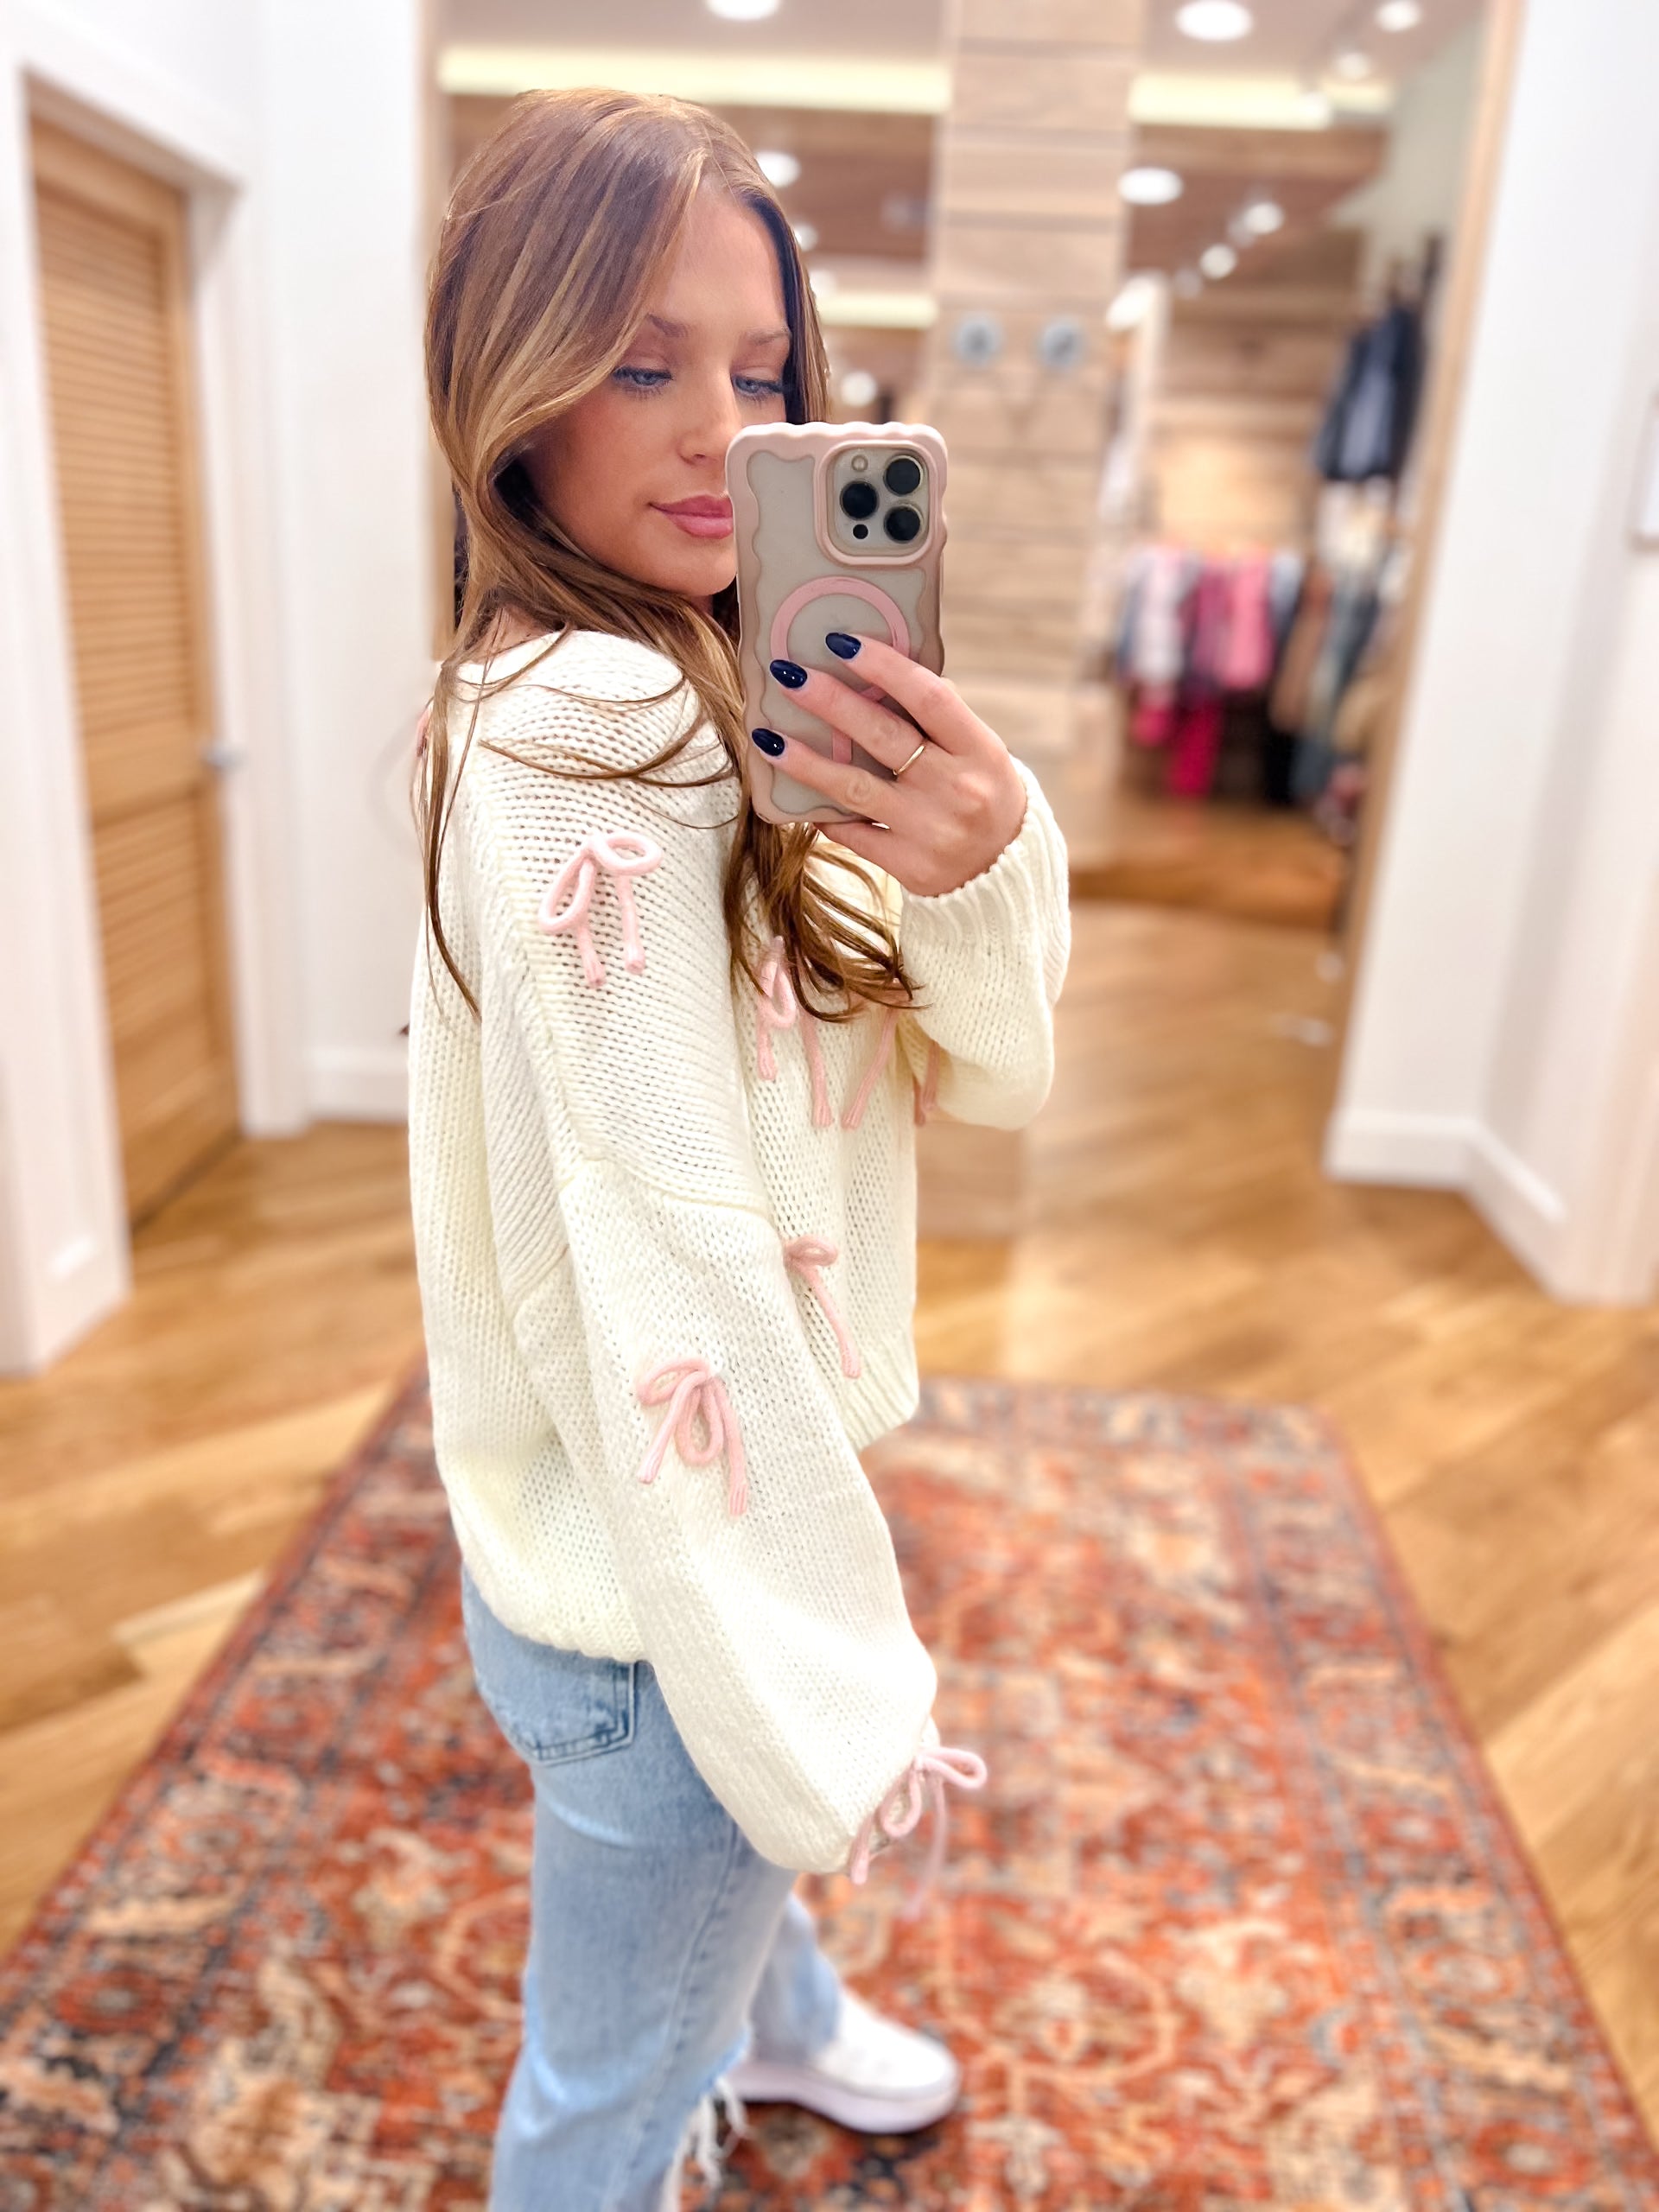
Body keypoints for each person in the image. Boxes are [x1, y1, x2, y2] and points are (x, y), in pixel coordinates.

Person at [407, 87, 1071, 2211]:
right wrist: (815, 1680)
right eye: (642, 364)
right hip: (661, 1585)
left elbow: (989, 1065)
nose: (723, 431)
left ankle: (778, 2015)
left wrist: (974, 855)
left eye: (768, 373)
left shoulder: (703, 689)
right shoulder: (592, 736)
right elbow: (671, 1260)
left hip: (632, 1524)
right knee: (603, 2093)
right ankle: (727, 2020)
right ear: (514, 392)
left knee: (699, 1929)